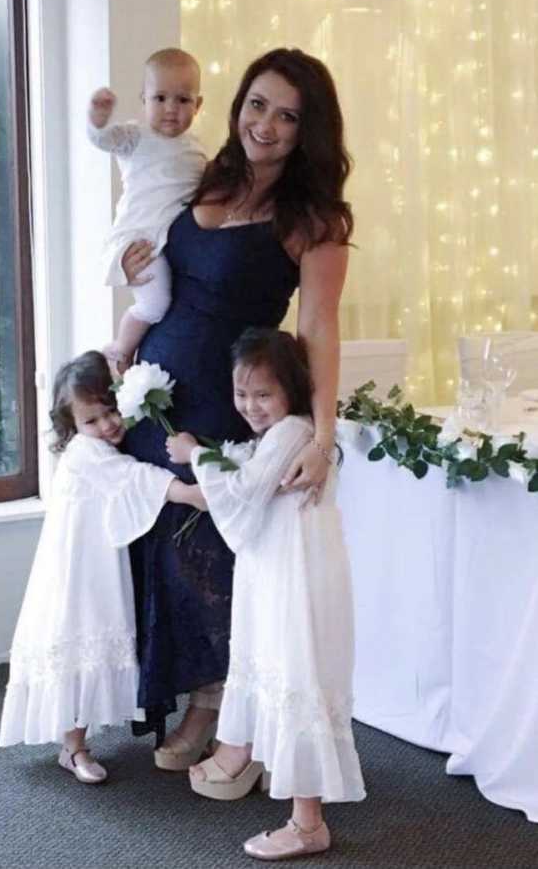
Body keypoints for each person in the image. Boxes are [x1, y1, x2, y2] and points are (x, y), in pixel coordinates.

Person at [120, 47, 352, 771]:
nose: (267, 124)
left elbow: (317, 328)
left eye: (288, 115)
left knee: (206, 556)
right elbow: (150, 245)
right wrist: (131, 267)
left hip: (230, 401)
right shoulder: (203, 175)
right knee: (153, 544)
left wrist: (320, 432)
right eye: (257, 104)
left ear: (307, 131)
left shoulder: (313, 219)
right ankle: (167, 689)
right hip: (156, 391)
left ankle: (214, 704)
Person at [166, 328, 365, 861]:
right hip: (280, 571)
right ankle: (298, 805)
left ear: (291, 390)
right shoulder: (282, 434)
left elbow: (244, 494)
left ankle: (308, 823)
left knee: (298, 676)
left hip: (295, 578)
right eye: (241, 393)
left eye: (263, 394)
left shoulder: (293, 432)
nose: (250, 406)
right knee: (283, 676)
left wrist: (193, 456)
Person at [0, 351, 206, 783]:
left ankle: (75, 742)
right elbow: (131, 478)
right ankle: (72, 748)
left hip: (96, 563)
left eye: (111, 412)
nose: (107, 425)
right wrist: (188, 493)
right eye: (92, 421)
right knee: (79, 641)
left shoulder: (102, 444)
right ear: (74, 427)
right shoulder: (84, 453)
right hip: (77, 572)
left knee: (91, 642)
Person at [87, 48, 207, 377]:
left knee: (169, 299)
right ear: (144, 100)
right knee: (154, 304)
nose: (171, 109)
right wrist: (98, 118)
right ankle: (120, 349)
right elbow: (101, 140)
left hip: (170, 241)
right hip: (140, 240)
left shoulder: (196, 148)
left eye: (183, 100)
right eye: (160, 98)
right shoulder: (136, 136)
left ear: (198, 105)